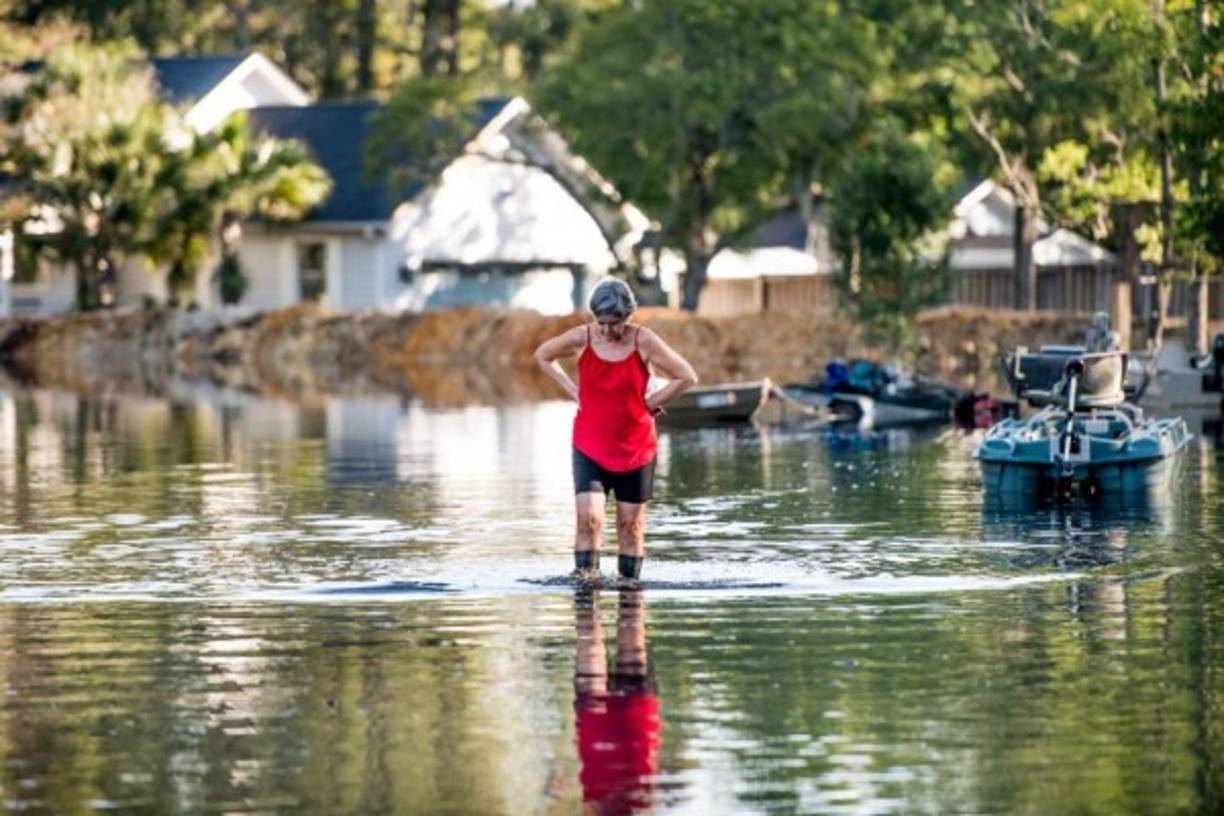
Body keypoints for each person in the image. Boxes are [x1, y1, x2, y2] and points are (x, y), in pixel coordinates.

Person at [534, 278, 698, 579]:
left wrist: (649, 403)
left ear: (628, 316)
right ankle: (586, 600)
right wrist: (574, 391)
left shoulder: (643, 340)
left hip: (636, 449)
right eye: (601, 322)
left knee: (631, 527)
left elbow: (686, 377)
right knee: (589, 520)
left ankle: (630, 604)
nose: (607, 330)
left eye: (615, 322)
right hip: (589, 446)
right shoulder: (583, 336)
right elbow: (543, 355)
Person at [573, 587, 660, 813]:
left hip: (624, 745)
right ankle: (609, 586)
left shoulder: (640, 801)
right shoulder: (639, 802)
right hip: (625, 742)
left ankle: (588, 586)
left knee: (597, 635)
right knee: (593, 634)